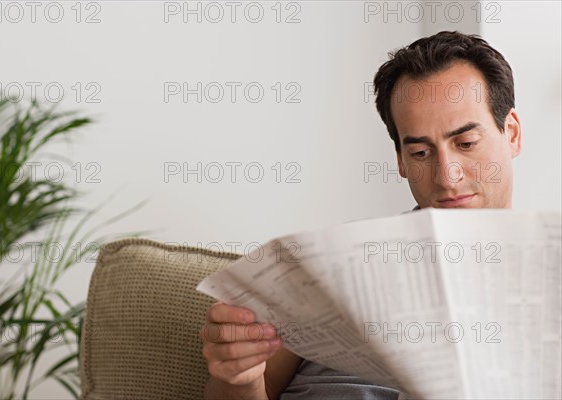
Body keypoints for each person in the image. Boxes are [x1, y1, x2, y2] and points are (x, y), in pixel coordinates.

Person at [200, 30, 521, 399]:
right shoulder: (328, 264)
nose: (446, 176)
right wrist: (238, 378)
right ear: (400, 160)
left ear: (511, 134)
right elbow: (255, 387)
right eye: (420, 153)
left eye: (465, 144)